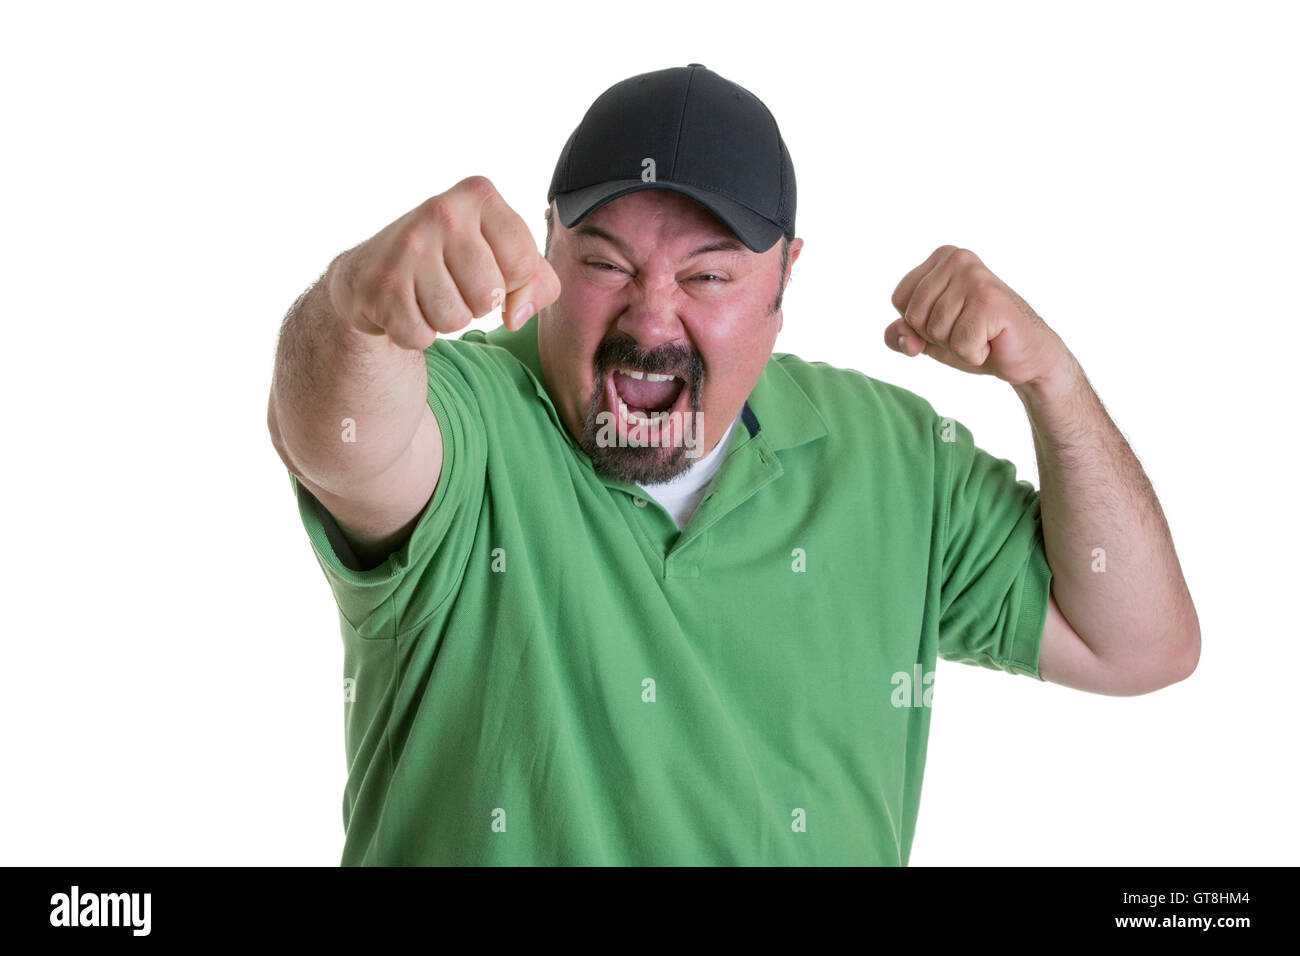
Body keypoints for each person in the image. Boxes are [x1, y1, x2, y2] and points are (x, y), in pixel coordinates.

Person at [266, 64, 1199, 865]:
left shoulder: (897, 456)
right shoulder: (471, 419)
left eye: (708, 276)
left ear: (786, 278)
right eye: (605, 264)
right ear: (548, 246)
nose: (650, 319)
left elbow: (1141, 645)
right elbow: (339, 442)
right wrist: (358, 312)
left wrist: (1054, 385)